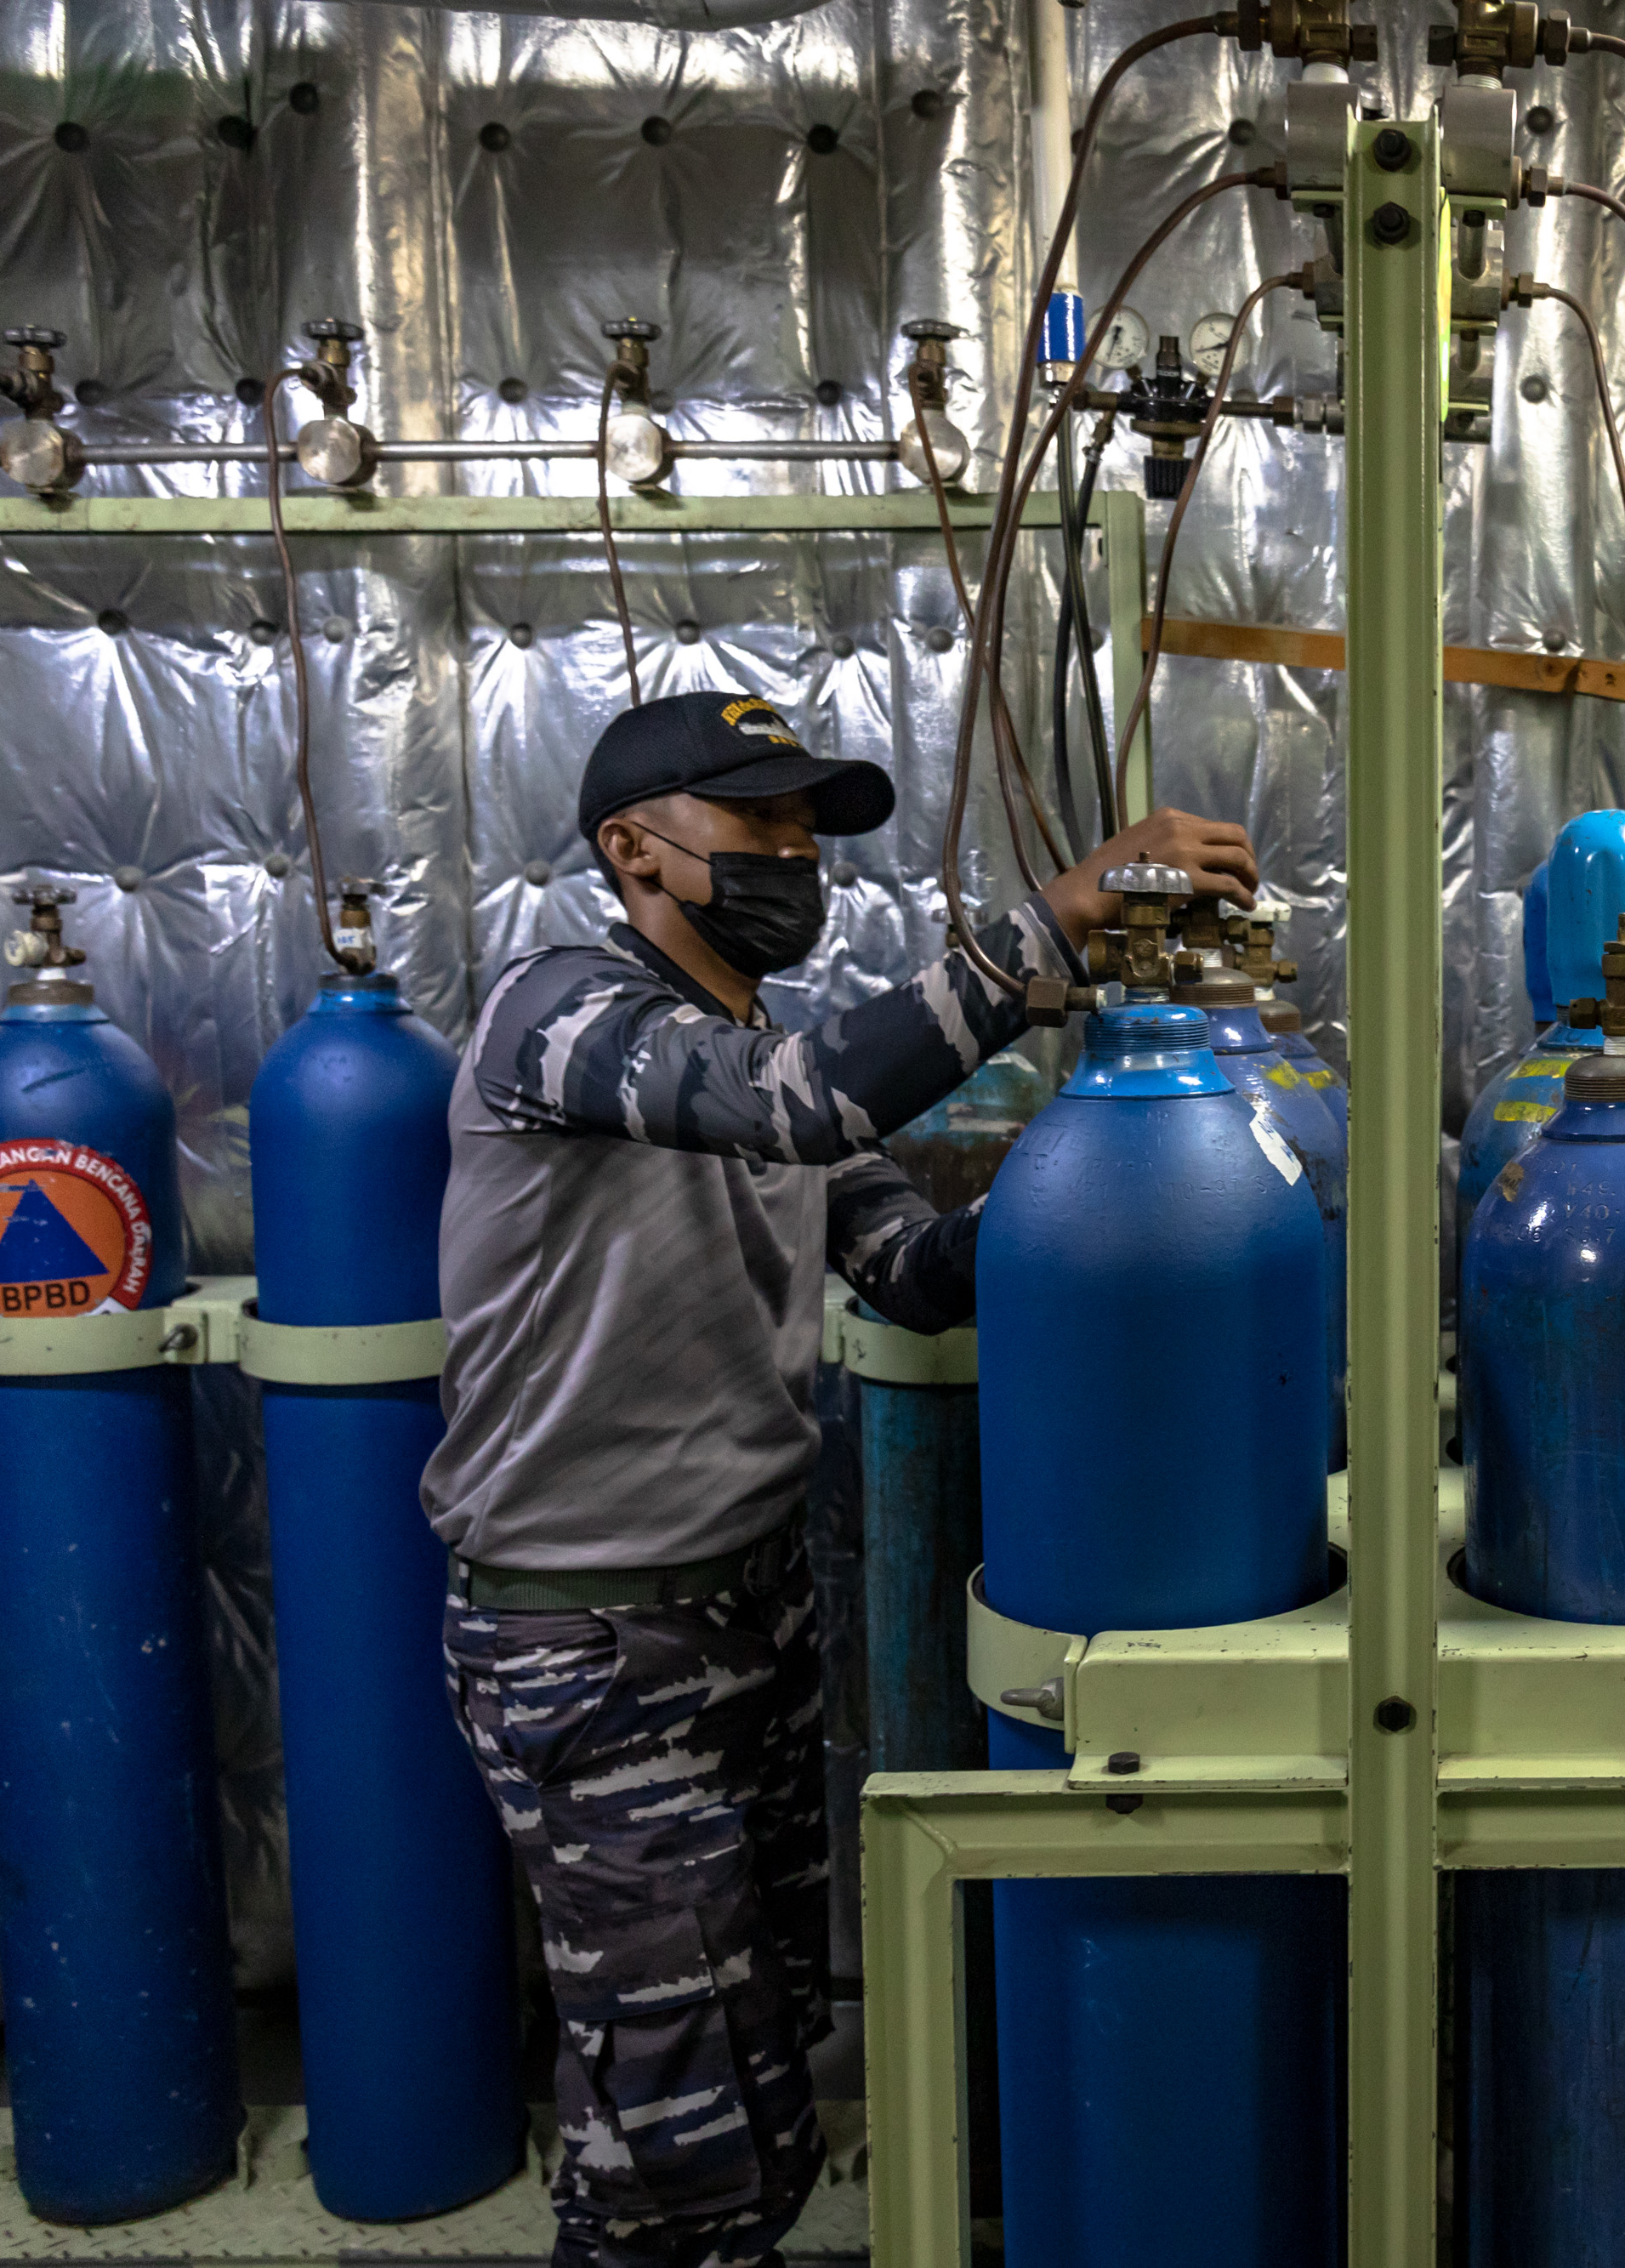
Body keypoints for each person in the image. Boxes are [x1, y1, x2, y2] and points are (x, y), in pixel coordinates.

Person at [420, 689, 1255, 2268]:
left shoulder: (752, 1055)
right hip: (588, 1647)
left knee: (758, 2059)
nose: (798, 853)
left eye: (811, 824)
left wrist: (1145, 1169)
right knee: (683, 2142)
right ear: (635, 850)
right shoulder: (561, 1016)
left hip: (749, 1614)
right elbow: (802, 1108)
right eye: (761, 822)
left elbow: (917, 1269)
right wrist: (1060, 926)